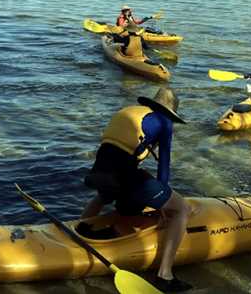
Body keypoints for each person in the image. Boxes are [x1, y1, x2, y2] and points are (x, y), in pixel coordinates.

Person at [81, 87, 192, 292]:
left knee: (104, 196)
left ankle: (79, 229)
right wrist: (163, 206)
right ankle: (165, 275)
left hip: (99, 171)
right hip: (123, 174)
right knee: (182, 209)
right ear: (170, 111)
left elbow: (117, 149)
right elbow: (163, 166)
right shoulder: (164, 122)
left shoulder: (131, 112)